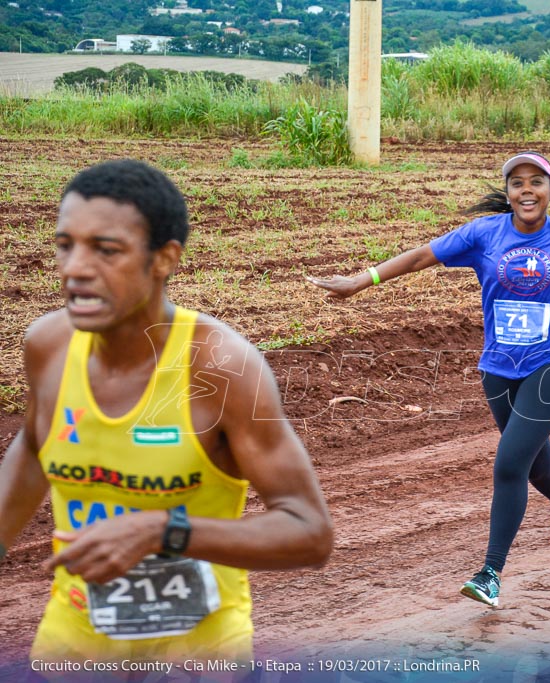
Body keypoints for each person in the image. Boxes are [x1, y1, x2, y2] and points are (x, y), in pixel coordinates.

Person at [0, 159, 334, 665]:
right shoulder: (47, 345)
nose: (75, 269)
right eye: (66, 245)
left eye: (106, 250)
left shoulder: (222, 367)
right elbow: (31, 448)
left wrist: (161, 531)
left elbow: (309, 532)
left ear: (164, 259)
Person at [307, 131, 550, 606]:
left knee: (509, 462)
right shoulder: (484, 234)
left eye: (536, 183)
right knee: (530, 460)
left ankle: (491, 572)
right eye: (516, 183)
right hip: (499, 368)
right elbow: (423, 255)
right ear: (507, 193)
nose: (526, 191)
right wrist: (362, 281)